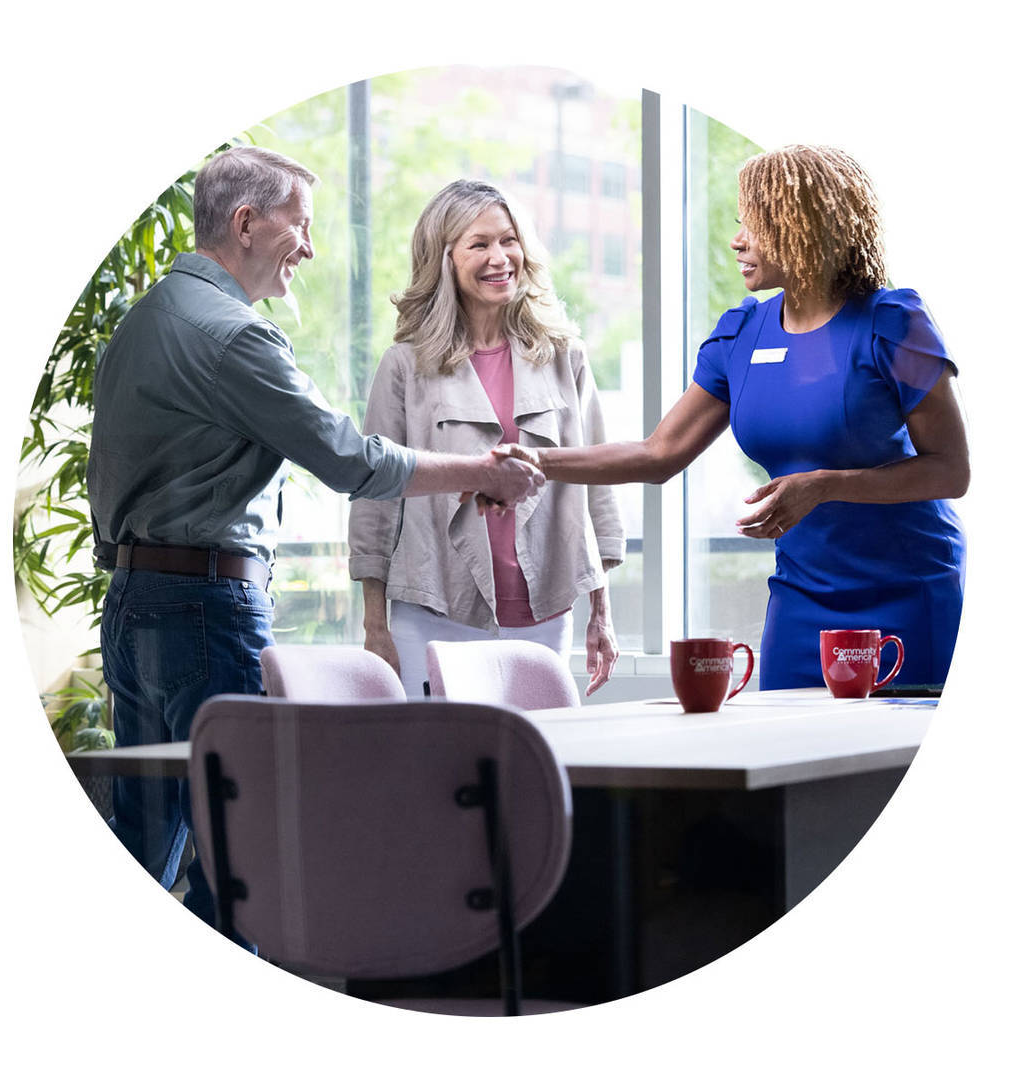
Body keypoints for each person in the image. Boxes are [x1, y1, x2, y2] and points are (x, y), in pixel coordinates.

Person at [86, 147, 543, 932]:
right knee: (242, 853)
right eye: (301, 225)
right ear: (246, 223)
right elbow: (352, 461)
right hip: (204, 606)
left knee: (141, 844)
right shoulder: (233, 337)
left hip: (133, 600)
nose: (310, 246)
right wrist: (483, 472)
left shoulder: (148, 317)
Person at [493, 145, 968, 690]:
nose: (738, 241)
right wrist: (535, 461)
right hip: (802, 596)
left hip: (909, 591)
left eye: (757, 226)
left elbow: (951, 471)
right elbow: (657, 454)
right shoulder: (742, 332)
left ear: (805, 228)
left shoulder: (892, 323)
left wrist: (825, 486)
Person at [348, 179, 625, 698]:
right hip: (434, 605)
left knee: (537, 763)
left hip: (544, 608)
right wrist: (374, 625)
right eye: (480, 244)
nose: (500, 258)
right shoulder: (405, 366)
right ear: (445, 258)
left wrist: (602, 613)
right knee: (441, 767)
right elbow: (375, 500)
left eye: (509, 240)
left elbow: (595, 489)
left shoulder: (566, 356)